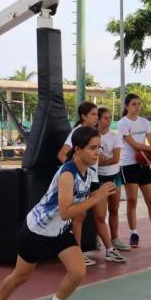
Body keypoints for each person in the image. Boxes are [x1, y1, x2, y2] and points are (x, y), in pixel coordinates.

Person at [0, 126, 116, 300]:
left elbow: (80, 206)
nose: (97, 152)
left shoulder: (89, 172)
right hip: (37, 230)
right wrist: (96, 198)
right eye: (92, 148)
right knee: (21, 276)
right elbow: (66, 211)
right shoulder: (67, 174)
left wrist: (99, 195)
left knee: (78, 271)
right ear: (78, 149)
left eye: (99, 148)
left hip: (60, 230)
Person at [118, 94, 151, 248]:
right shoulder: (123, 123)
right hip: (128, 165)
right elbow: (133, 144)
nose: (137, 106)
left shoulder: (144, 122)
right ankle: (134, 233)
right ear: (127, 106)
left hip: (143, 165)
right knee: (132, 201)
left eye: (139, 104)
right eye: (134, 104)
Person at [57, 101, 100, 266]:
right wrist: (73, 174)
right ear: (83, 116)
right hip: (81, 180)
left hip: (91, 179)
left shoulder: (92, 133)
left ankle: (79, 251)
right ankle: (76, 253)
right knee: (77, 216)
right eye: (93, 114)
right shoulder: (77, 132)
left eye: (97, 114)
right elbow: (62, 154)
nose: (96, 117)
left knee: (84, 216)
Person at [94, 107, 127, 262]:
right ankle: (98, 239)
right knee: (100, 214)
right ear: (98, 120)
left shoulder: (115, 136)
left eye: (110, 117)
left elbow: (115, 159)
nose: (109, 120)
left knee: (114, 209)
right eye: (105, 118)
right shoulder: (93, 136)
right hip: (98, 178)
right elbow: (98, 161)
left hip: (114, 176)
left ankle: (115, 238)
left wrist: (102, 160)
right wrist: (103, 160)